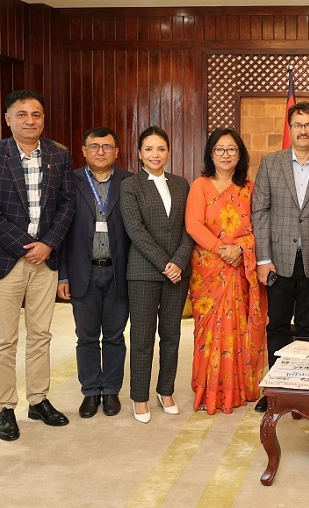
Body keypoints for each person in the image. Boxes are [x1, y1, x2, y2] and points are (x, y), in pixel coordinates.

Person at [0, 89, 75, 441]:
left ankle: (38, 400)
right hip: (6, 258)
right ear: (8, 119)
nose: (30, 121)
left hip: (46, 258)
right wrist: (24, 247)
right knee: (4, 339)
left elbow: (67, 204)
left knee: (41, 335)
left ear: (43, 119)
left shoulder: (59, 153)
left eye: (36, 114)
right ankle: (4, 408)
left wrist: (48, 244)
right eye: (22, 114)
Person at [250, 102, 309, 413]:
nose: (304, 130)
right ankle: (277, 392)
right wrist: (263, 259)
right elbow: (260, 212)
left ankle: (304, 391)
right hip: (277, 259)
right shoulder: (271, 163)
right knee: (278, 324)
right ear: (289, 129)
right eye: (298, 124)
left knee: (308, 326)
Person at [186, 128, 267, 415]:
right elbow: (193, 225)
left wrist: (241, 249)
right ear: (211, 154)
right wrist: (222, 249)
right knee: (208, 331)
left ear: (240, 154)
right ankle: (209, 390)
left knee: (238, 329)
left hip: (239, 269)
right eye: (219, 149)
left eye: (232, 149)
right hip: (208, 270)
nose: (225, 155)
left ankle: (237, 389)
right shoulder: (200, 186)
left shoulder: (250, 189)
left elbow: (260, 227)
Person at [57, 127, 132, 419]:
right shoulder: (69, 180)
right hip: (82, 271)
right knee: (86, 337)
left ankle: (111, 390)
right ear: (84, 151)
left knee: (114, 335)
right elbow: (61, 233)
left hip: (118, 272)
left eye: (107, 146)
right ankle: (90, 391)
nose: (101, 152)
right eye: (94, 146)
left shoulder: (129, 182)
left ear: (117, 152)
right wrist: (62, 276)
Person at [120, 126, 193, 424]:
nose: (155, 154)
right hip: (143, 272)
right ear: (139, 153)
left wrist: (179, 262)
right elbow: (135, 230)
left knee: (172, 335)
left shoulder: (181, 184)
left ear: (168, 152)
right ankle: (140, 396)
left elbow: (190, 227)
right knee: (142, 337)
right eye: (149, 149)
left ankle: (166, 391)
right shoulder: (131, 185)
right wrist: (166, 264)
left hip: (178, 272)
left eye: (161, 149)